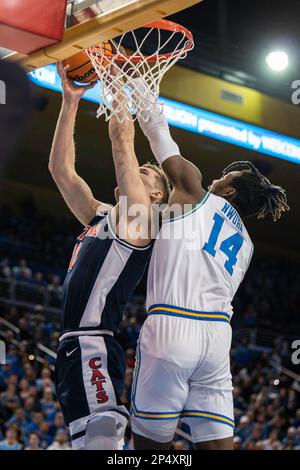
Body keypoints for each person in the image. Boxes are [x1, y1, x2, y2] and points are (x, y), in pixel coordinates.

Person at [129, 79, 289, 450]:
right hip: (217, 338)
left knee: (148, 449)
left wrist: (138, 85)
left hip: (173, 323)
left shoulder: (195, 192)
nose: (216, 178)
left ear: (228, 190)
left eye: (224, 178)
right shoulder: (247, 245)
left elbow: (159, 135)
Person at [49, 64, 170, 450]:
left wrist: (117, 79)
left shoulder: (141, 220)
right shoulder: (103, 214)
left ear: (155, 196)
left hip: (92, 343)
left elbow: (121, 143)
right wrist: (70, 101)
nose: (139, 171)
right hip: (73, 346)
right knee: (90, 443)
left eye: (147, 172)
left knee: (100, 443)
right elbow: (60, 170)